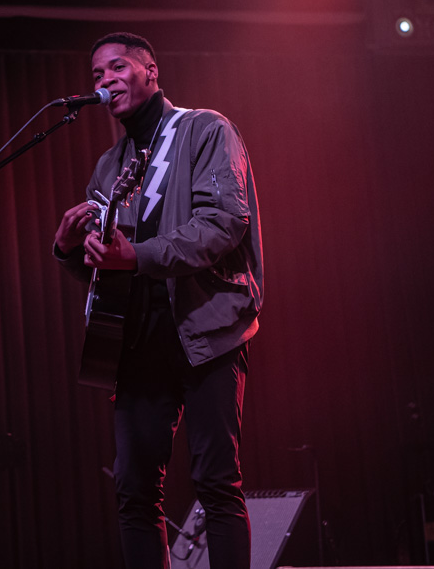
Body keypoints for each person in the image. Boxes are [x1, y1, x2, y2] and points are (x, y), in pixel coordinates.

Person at [53, 32, 263, 569]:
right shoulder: (108, 164)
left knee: (216, 483)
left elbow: (223, 222)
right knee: (134, 493)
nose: (104, 81)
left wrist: (137, 256)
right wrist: (69, 250)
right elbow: (112, 261)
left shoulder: (205, 130)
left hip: (205, 332)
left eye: (117, 67)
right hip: (136, 342)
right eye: (96, 75)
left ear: (151, 71)